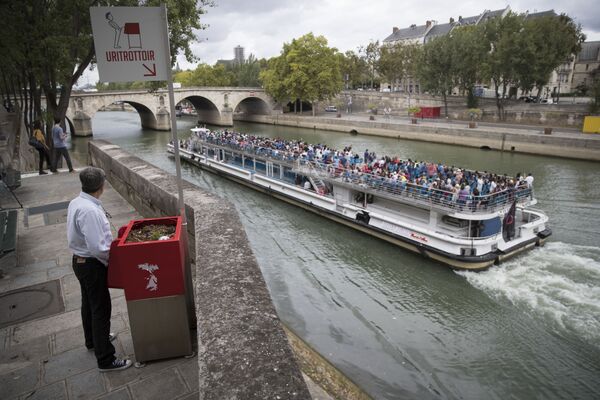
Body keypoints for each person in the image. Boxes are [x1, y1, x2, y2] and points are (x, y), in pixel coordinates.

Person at [67, 167, 132, 372]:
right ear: (102, 186)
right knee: (101, 309)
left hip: (79, 261)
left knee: (89, 304)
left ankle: (93, 341)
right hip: (91, 264)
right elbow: (98, 248)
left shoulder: (77, 202)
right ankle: (105, 358)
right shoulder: (90, 210)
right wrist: (112, 261)